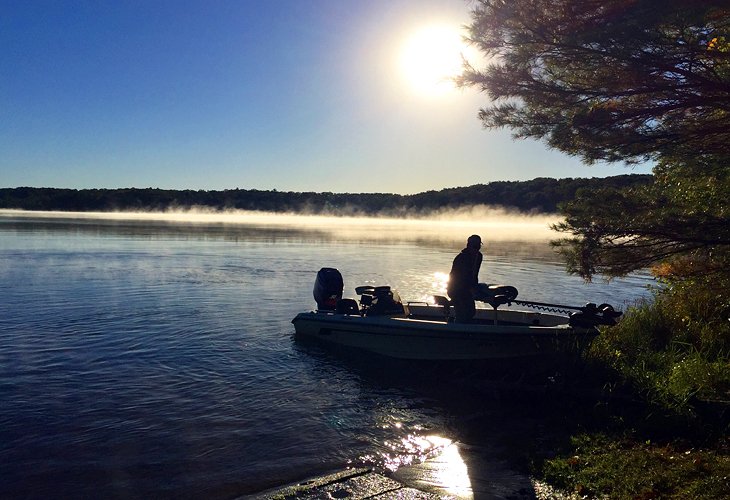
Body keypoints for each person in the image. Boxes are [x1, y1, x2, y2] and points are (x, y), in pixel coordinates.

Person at [447, 234, 483, 323]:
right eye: (474, 246)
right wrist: (471, 290)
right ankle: (457, 328)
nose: (476, 249)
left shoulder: (479, 256)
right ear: (468, 245)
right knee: (463, 314)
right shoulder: (461, 258)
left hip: (468, 288)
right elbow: (459, 278)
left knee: (471, 312)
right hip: (456, 288)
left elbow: (474, 275)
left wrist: (476, 288)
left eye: (478, 246)